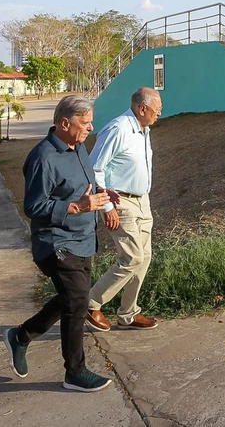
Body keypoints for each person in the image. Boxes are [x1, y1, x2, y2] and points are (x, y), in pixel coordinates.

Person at [2, 95, 117, 393]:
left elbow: (84, 188)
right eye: (86, 122)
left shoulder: (78, 147)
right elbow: (34, 206)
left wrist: (104, 196)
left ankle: (21, 336)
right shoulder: (42, 157)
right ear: (65, 123)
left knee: (73, 298)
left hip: (82, 238)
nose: (91, 127)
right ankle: (74, 372)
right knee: (78, 302)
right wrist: (77, 207)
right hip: (56, 242)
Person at [85, 87, 162, 332]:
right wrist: (106, 206)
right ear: (142, 108)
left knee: (144, 258)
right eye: (156, 110)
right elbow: (94, 168)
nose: (159, 114)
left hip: (142, 201)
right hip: (120, 202)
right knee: (131, 258)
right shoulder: (118, 129)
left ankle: (128, 313)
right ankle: (90, 303)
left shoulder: (144, 130)